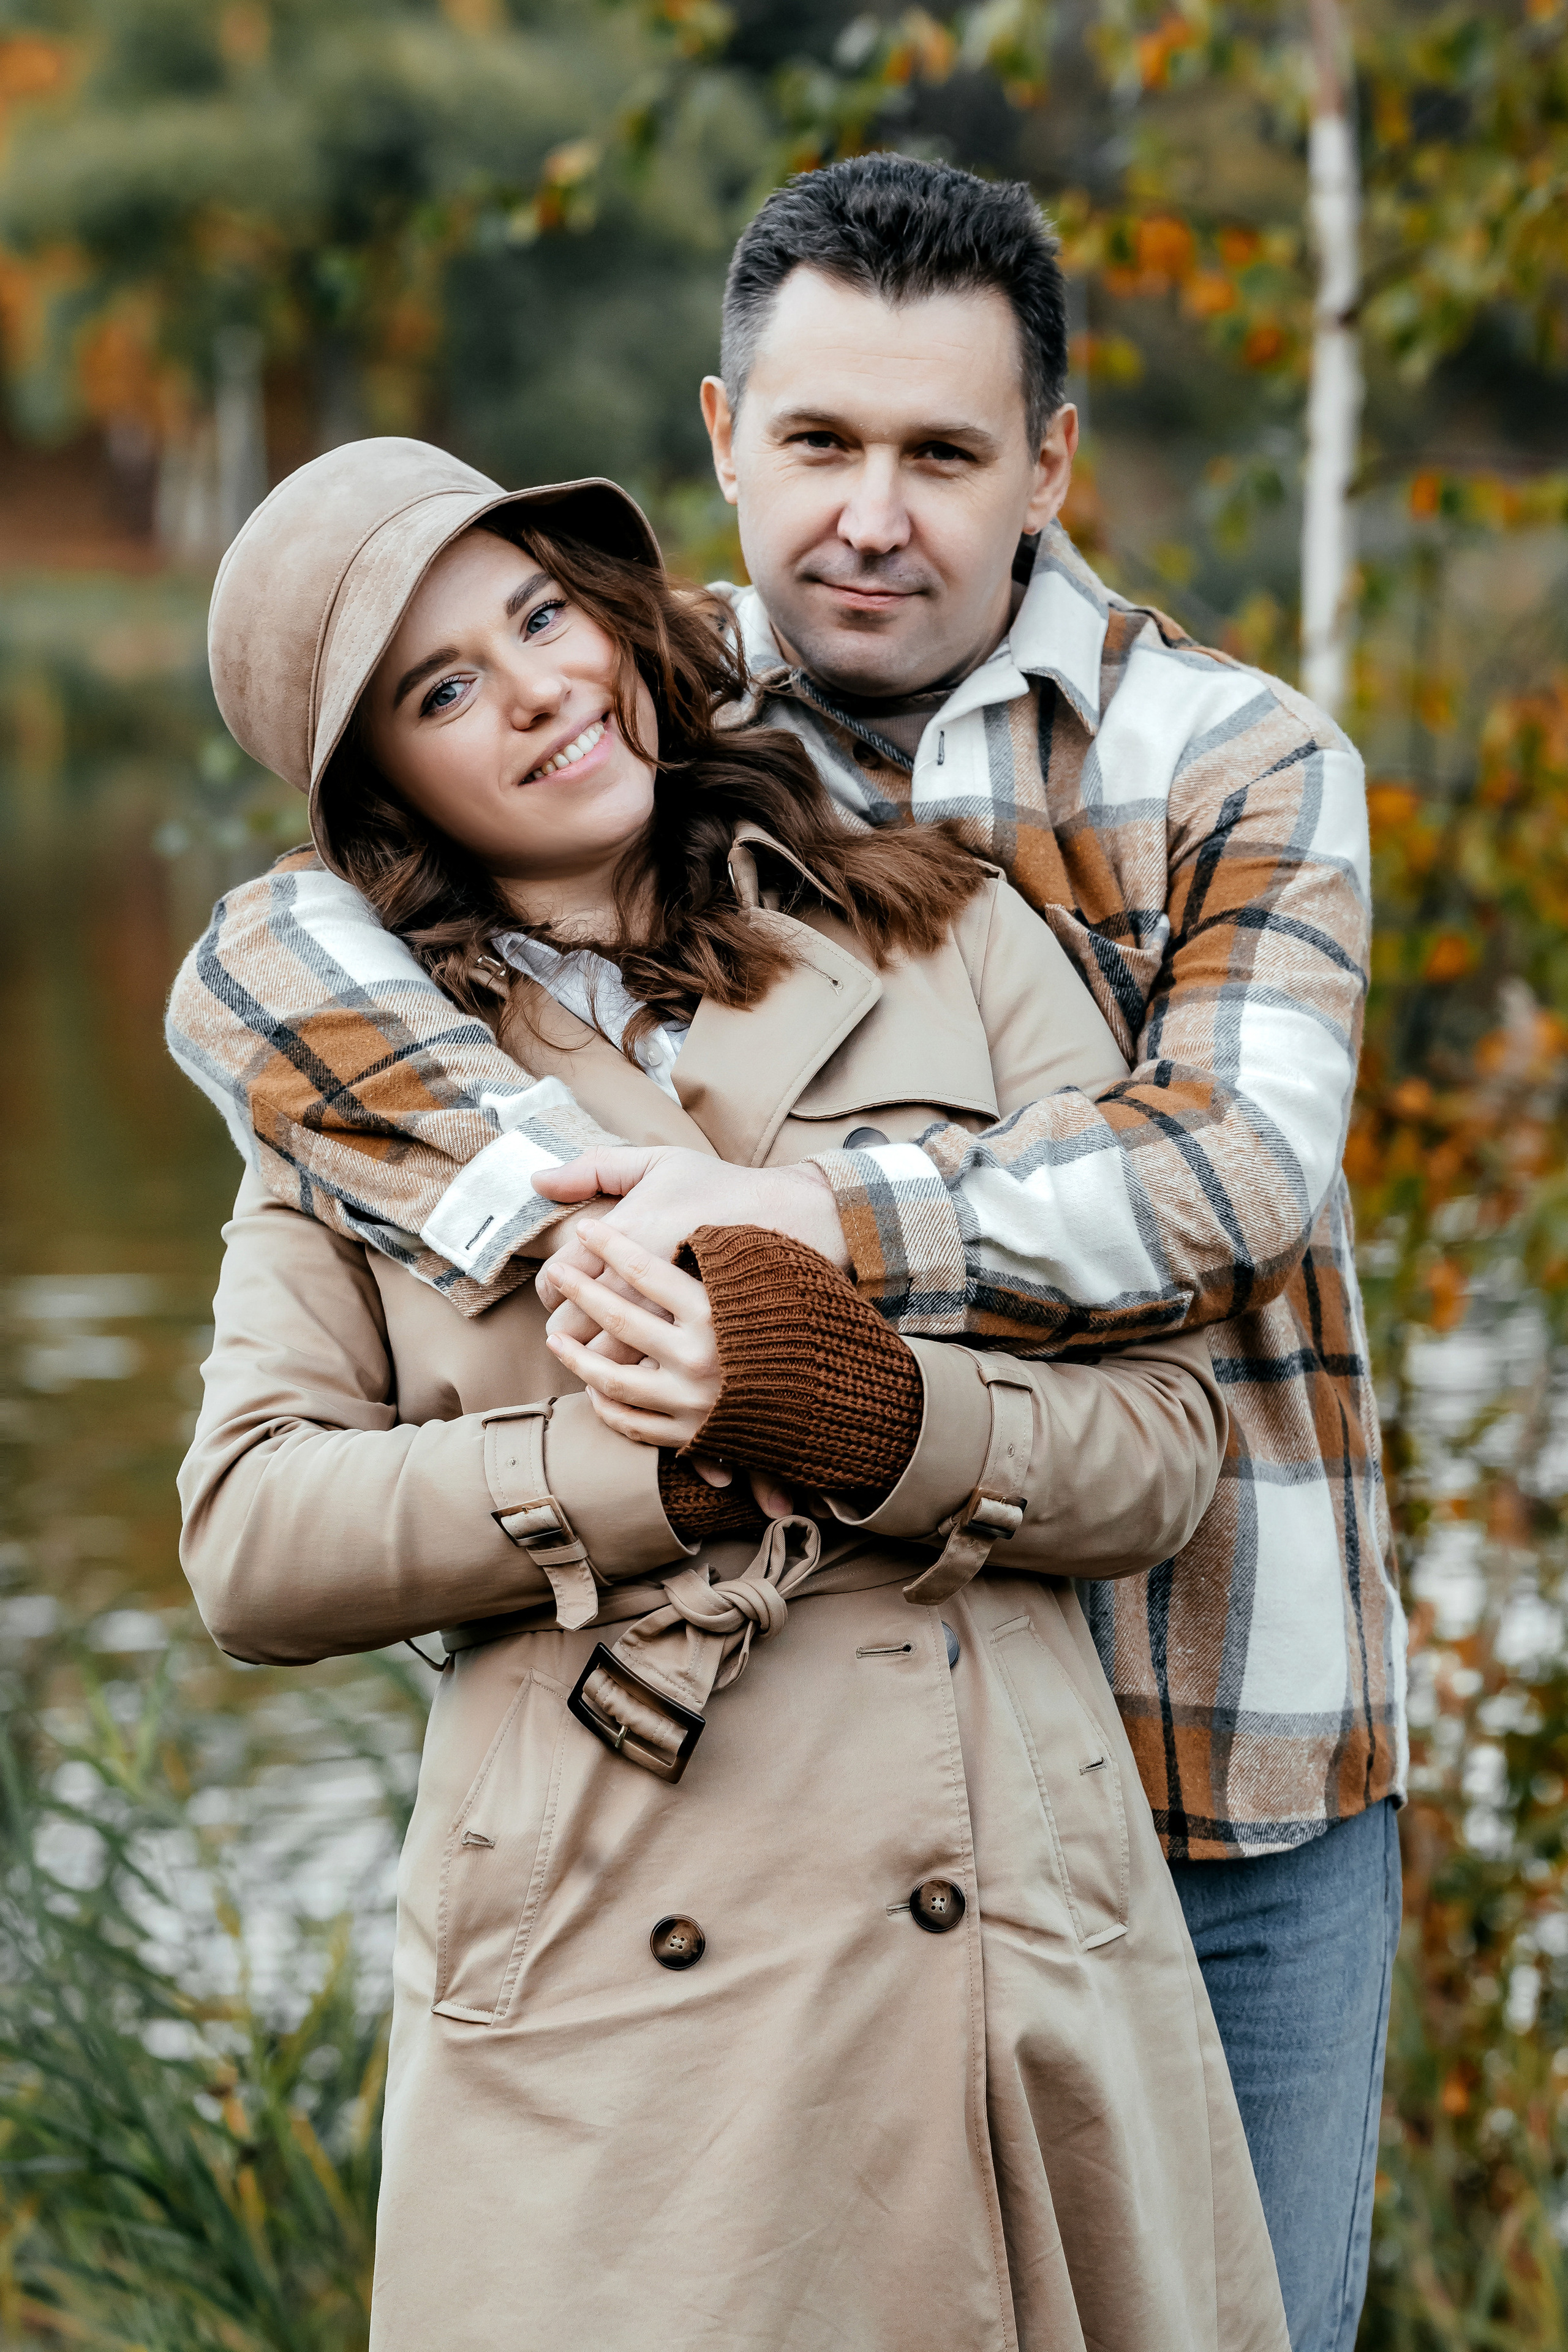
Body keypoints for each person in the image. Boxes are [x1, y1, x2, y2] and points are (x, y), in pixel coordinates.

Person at [167, 156, 1403, 2351]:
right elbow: (281, 896)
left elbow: (1222, 1204)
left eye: (944, 454)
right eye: (819, 443)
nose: (873, 516)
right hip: (664, 1876)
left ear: (1049, 464)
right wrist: (614, 1393)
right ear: (723, 443)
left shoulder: (1211, 770)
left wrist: (798, 1286)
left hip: (1197, 1754)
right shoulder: (519, 829)